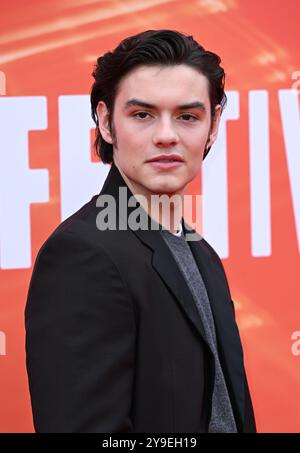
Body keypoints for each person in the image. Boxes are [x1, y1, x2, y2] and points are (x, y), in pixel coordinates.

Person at [25, 29, 256, 433]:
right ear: (106, 122)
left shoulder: (202, 254)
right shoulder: (82, 255)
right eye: (142, 114)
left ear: (213, 125)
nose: (167, 135)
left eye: (187, 116)